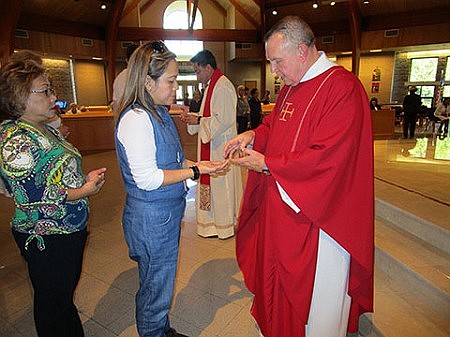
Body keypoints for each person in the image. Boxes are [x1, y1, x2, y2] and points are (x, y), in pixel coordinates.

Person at [223, 16, 374, 337]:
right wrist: (252, 135)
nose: (274, 71)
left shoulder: (342, 88)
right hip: (283, 206)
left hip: (321, 218)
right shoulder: (293, 88)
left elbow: (330, 157)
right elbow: (276, 129)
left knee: (317, 306)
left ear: (303, 51)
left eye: (277, 61)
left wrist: (267, 164)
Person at [114, 41, 227, 337]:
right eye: (171, 80)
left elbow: (171, 160)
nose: (176, 87)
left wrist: (202, 166)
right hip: (151, 219)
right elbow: (148, 179)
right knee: (155, 287)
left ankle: (161, 328)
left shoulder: (158, 112)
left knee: (159, 282)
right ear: (148, 82)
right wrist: (194, 170)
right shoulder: (136, 119)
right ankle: (153, 332)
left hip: (162, 215)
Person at [0, 50, 106, 337]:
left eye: (51, 90)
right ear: (20, 96)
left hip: (65, 230)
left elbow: (55, 174)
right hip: (47, 236)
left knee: (60, 298)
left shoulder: (41, 128)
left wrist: (82, 180)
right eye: (45, 91)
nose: (53, 97)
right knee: (53, 304)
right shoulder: (14, 138)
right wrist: (83, 190)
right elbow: (28, 195)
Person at [180, 49, 242, 239]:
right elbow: (208, 117)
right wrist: (194, 118)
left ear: (208, 67)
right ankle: (211, 224)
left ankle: (223, 225)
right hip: (212, 145)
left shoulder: (222, 86)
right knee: (214, 185)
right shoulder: (210, 86)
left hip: (221, 147)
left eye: (198, 71)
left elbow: (223, 120)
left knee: (222, 187)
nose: (197, 76)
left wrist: (199, 121)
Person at [112, 43, 139, 113]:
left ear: (126, 60)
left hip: (123, 116)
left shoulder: (119, 78)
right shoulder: (143, 76)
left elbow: (115, 103)